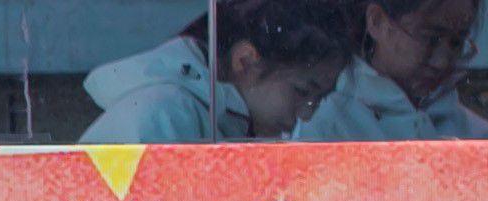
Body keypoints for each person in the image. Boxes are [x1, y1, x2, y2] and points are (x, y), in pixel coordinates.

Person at [79, 0, 359, 142]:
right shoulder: (163, 117)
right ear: (245, 61)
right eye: (301, 91)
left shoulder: (235, 123)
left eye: (319, 99)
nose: (307, 114)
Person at [294, 0, 488, 138]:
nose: (442, 61)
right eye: (431, 38)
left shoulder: (477, 134)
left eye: (456, 43)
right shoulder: (325, 129)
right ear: (377, 22)